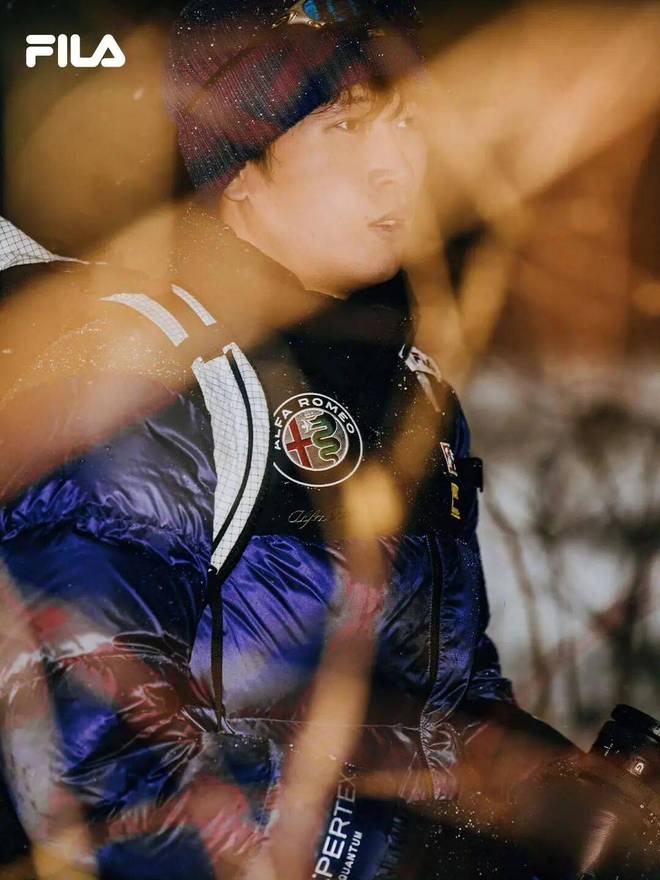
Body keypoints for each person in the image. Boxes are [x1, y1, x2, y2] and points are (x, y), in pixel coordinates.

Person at [0, 2, 577, 878]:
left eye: (408, 123)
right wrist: (392, 854)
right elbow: (92, 773)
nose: (397, 166)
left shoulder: (415, 389)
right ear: (240, 168)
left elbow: (447, 704)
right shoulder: (141, 377)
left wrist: (562, 797)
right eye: (345, 126)